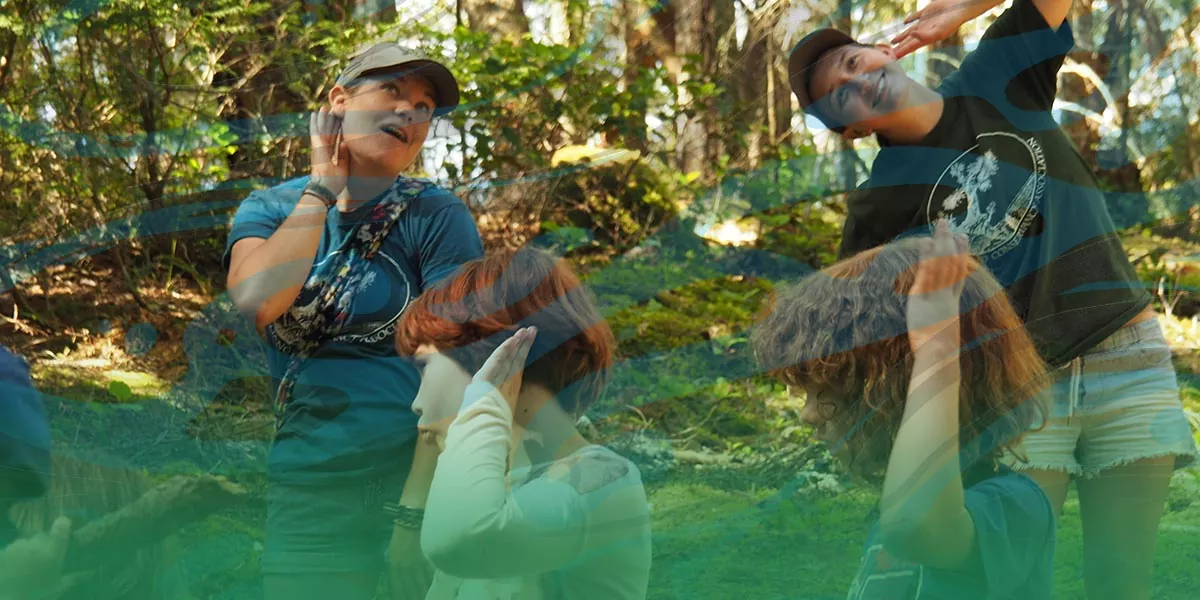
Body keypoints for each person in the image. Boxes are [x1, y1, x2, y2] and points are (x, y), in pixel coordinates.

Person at [785, 0, 1198, 596]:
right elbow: (852, 336)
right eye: (839, 95)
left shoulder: (991, 78)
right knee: (1015, 580)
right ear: (851, 130)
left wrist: (958, 11)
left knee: (1123, 583)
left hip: (1126, 354)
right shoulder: (878, 207)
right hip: (1016, 391)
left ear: (884, 51)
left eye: (853, 61)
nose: (857, 79)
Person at [223, 43, 484, 599]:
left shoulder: (438, 216)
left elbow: (457, 367)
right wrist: (321, 189)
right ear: (339, 102)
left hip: (410, 476)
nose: (410, 113)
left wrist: (412, 515)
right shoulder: (269, 209)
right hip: (309, 484)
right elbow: (258, 301)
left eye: (423, 106)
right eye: (393, 91)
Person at [752, 221, 1055, 599]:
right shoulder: (890, 511)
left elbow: (915, 527)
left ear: (900, 385)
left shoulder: (1012, 506)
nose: (808, 415)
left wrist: (937, 348)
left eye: (829, 392)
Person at [390, 248, 652, 599]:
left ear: (492, 353)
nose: (417, 403)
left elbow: (459, 540)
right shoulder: (503, 484)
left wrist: (483, 402)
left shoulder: (602, 478)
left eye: (424, 367)